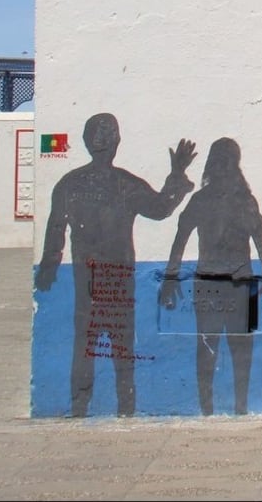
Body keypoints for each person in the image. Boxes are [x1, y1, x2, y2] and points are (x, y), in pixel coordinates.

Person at [36, 113, 196, 417]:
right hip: (119, 280)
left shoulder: (68, 184)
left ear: (86, 142)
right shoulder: (125, 184)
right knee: (122, 350)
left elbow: (55, 231)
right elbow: (161, 208)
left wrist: (48, 268)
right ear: (117, 143)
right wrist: (176, 175)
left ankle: (81, 408)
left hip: (88, 281)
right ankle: (125, 410)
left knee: (85, 346)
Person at [158, 138, 262, 416]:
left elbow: (261, 241)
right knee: (207, 349)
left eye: (229, 159)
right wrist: (170, 277)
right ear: (213, 164)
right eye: (220, 159)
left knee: (240, 351)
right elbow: (180, 240)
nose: (224, 165)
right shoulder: (202, 201)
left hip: (240, 285)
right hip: (210, 284)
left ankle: (239, 407)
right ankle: (207, 410)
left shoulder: (243, 201)